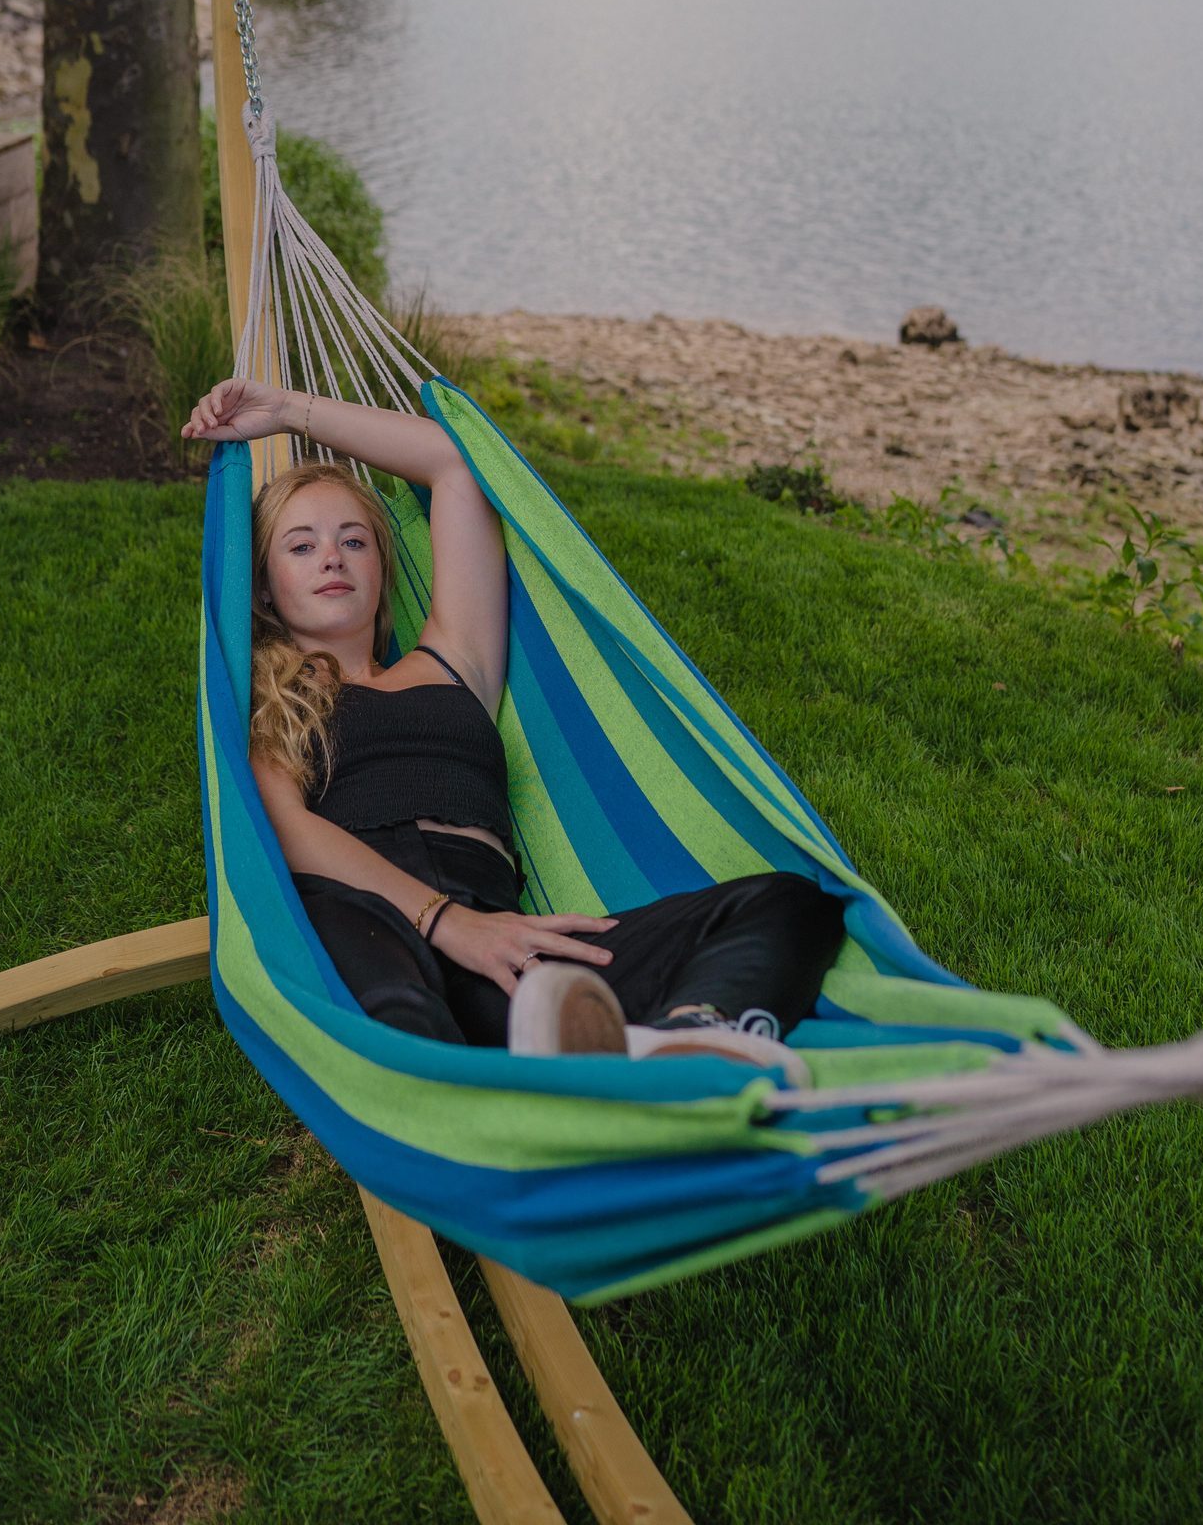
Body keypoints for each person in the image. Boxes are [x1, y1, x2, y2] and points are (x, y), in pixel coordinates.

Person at [183, 378, 845, 1079]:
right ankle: (515, 1111)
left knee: (791, 904)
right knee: (404, 1025)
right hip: (365, 907)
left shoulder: (452, 660)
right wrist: (442, 921)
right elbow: (282, 827)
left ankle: (688, 1044)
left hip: (501, 927)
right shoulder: (270, 694)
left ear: (383, 567)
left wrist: (288, 411)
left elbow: (457, 466)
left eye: (355, 540)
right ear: (262, 587)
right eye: (300, 546)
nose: (332, 558)